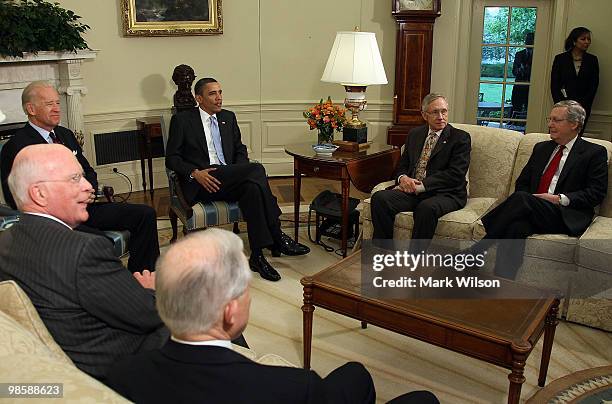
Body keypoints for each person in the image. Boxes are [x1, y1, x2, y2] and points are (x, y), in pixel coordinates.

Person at [106, 228, 439, 404]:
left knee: (354, 375)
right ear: (230, 311)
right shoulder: (292, 388)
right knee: (407, 394)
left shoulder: (120, 375)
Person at [0, 144, 169, 381]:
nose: (88, 186)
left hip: (65, 365)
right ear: (39, 193)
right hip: (121, 368)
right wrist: (150, 291)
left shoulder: (6, 242)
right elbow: (148, 315)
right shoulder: (84, 250)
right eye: (74, 178)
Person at [0, 81, 160, 273]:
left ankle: (143, 276)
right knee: (99, 242)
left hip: (86, 207)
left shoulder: (65, 135)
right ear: (31, 109)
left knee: (145, 215)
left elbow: (88, 171)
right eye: (49, 104)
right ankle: (107, 287)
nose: (57, 109)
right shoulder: (17, 146)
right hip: (55, 219)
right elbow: (13, 196)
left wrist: (89, 190)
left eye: (58, 103)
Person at [165, 77, 310, 282]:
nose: (219, 98)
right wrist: (195, 173)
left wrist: (236, 170)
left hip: (229, 177)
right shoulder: (182, 121)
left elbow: (240, 150)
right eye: (213, 94)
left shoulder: (228, 118)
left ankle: (257, 256)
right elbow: (172, 158)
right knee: (257, 170)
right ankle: (277, 236)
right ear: (199, 98)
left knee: (252, 188)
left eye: (220, 92)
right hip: (204, 181)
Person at [477, 100, 608, 279]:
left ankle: (477, 250)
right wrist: (531, 201)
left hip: (565, 213)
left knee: (522, 199)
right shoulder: (542, 148)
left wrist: (559, 198)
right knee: (516, 226)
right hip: (533, 207)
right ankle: (504, 283)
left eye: (556, 120)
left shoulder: (594, 153)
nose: (550, 124)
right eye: (550, 119)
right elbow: (522, 182)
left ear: (574, 124)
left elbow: (596, 193)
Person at [370, 93, 470, 250]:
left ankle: (415, 262)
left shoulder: (460, 138)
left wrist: (421, 186)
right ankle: (382, 252)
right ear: (424, 115)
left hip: (446, 193)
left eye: (444, 111)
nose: (441, 116)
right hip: (413, 191)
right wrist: (403, 179)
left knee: (426, 208)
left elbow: (455, 174)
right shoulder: (415, 134)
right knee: (380, 198)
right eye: (435, 112)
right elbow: (402, 166)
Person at [551, 27, 599, 134]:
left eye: (588, 39)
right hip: (563, 105)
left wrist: (581, 105)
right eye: (583, 39)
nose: (587, 42)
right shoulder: (560, 59)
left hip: (583, 106)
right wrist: (562, 104)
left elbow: (594, 85)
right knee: (558, 133)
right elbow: (555, 85)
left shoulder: (592, 60)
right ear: (574, 41)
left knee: (576, 135)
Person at [511, 32, 534, 115]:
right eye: (526, 39)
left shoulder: (538, 56)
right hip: (519, 87)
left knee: (531, 110)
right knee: (515, 108)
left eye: (530, 39)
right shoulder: (519, 54)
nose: (527, 41)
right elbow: (514, 71)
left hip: (531, 88)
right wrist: (520, 70)